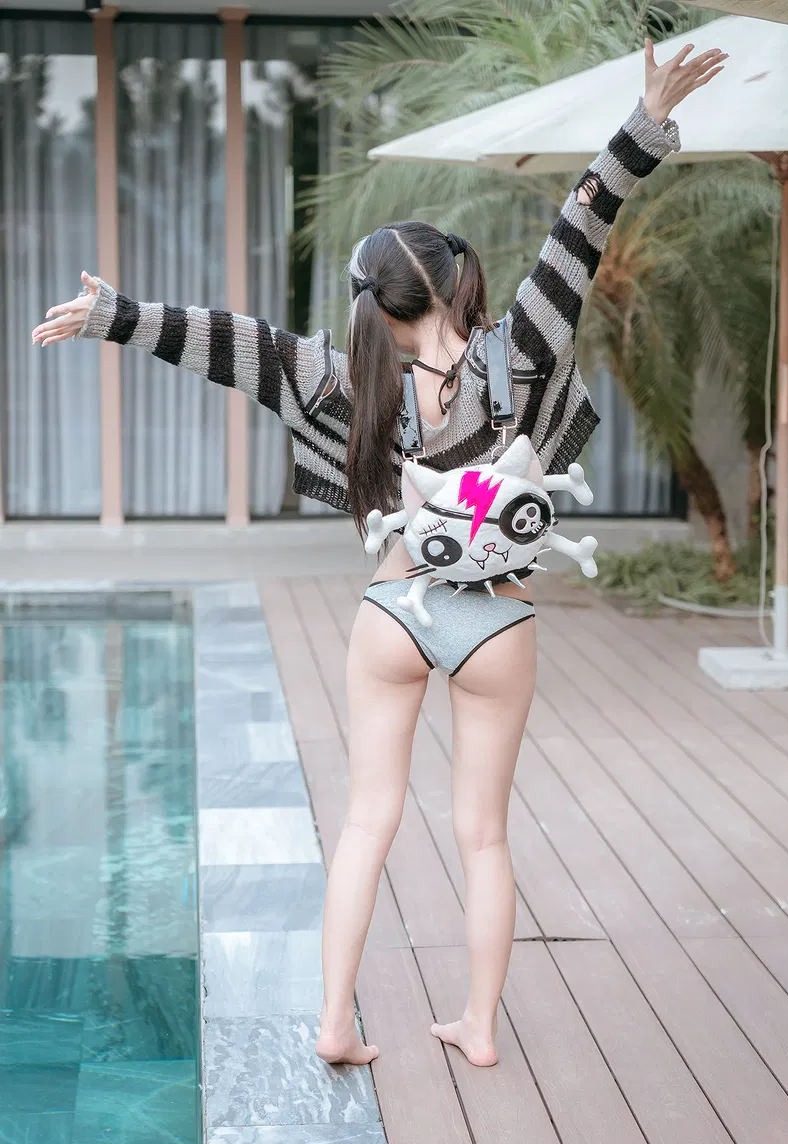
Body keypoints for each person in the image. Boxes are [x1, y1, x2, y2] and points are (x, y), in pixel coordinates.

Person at [33, 40, 726, 1068]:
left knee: (365, 824)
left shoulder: (340, 377)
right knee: (482, 836)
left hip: (392, 613)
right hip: (496, 619)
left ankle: (332, 1024)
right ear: (453, 280)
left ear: (371, 306)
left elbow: (227, 341)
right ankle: (478, 1029)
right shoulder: (523, 347)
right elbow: (580, 227)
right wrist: (645, 121)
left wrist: (115, 317)